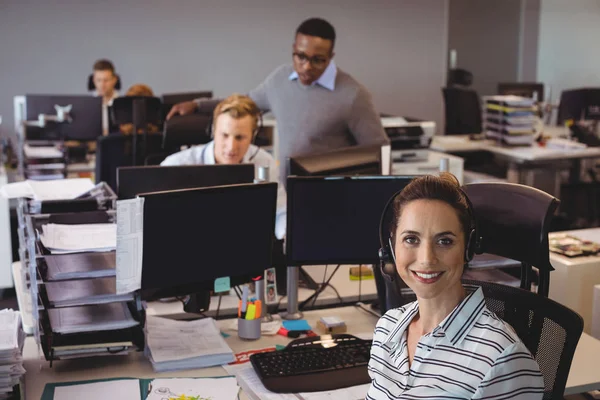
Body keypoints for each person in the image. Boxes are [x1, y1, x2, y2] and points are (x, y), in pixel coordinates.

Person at [367, 173, 544, 399]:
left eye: (445, 241)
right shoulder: (387, 328)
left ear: (468, 249)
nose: (426, 259)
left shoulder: (500, 358)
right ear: (392, 247)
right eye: (411, 239)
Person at [166, 17, 389, 180]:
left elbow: (379, 153)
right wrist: (197, 105)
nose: (306, 66)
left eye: (317, 60)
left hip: (330, 195)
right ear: (293, 49)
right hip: (286, 191)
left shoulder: (353, 96)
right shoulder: (280, 79)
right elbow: (245, 104)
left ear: (331, 58)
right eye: (300, 56)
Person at [161, 94, 286, 240]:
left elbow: (281, 211)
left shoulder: (264, 162)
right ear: (213, 131)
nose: (231, 147)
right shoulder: (176, 165)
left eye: (240, 137)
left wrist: (286, 235)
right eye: (225, 135)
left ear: (253, 135)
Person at [92, 59, 120, 136]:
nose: (102, 85)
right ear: (94, 80)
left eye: (106, 80)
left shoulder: (122, 104)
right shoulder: (86, 105)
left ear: (114, 80)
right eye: (99, 80)